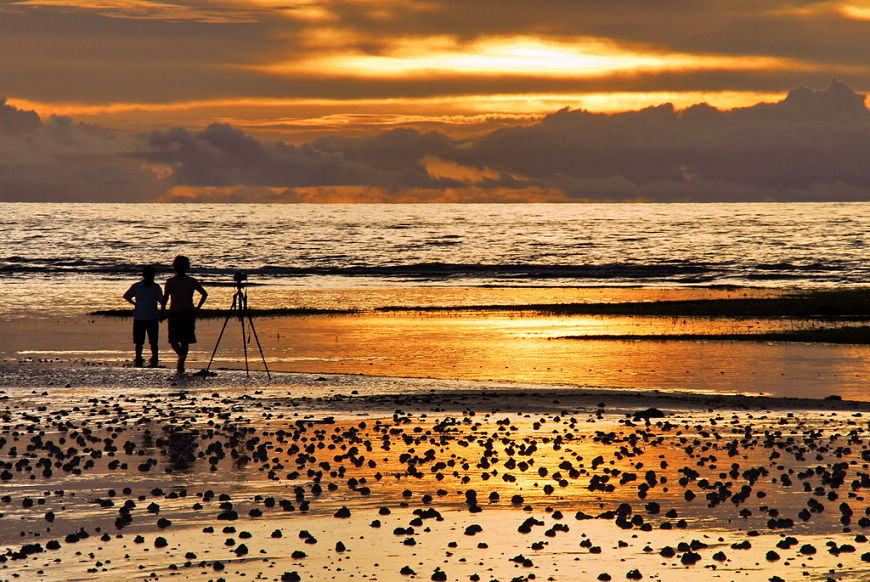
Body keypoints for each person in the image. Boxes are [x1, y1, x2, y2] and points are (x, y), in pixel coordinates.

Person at [161, 255, 208, 375]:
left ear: (175, 267)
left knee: (174, 339)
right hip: (188, 312)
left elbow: (165, 299)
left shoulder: (170, 282)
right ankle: (182, 359)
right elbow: (204, 294)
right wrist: (197, 309)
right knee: (185, 340)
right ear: (187, 267)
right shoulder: (191, 281)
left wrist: (162, 311)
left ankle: (181, 358)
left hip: (175, 313)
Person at [123, 265, 165, 368]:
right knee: (140, 341)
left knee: (152, 340)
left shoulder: (154, 287)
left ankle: (154, 356)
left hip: (150, 317)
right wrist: (135, 304)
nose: (151, 277)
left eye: (152, 275)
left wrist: (135, 304)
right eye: (150, 275)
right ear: (144, 275)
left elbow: (162, 301)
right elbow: (126, 296)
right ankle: (139, 356)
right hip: (141, 317)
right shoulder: (139, 286)